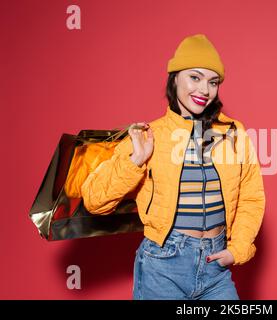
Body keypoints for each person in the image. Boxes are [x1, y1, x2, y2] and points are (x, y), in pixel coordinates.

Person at [81, 34, 266, 300]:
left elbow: (251, 196)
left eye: (212, 82)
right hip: (163, 265)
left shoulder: (233, 133)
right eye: (195, 77)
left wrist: (238, 248)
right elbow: (94, 200)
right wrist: (135, 161)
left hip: (215, 265)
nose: (204, 90)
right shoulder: (149, 134)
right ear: (175, 77)